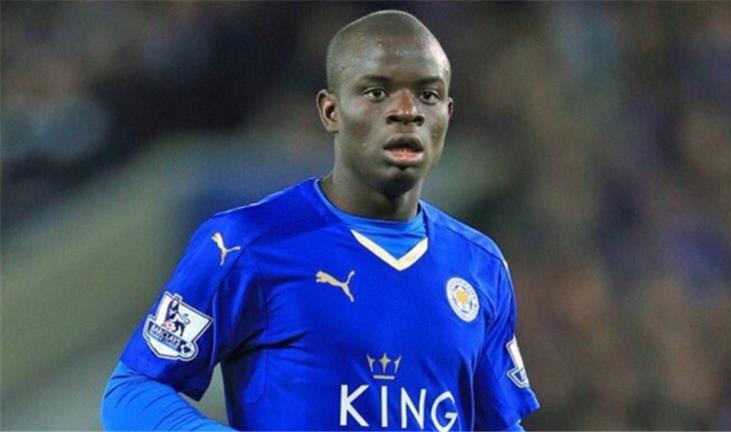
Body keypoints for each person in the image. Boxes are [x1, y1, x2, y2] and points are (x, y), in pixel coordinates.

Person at [101, 9, 539, 431]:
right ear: (331, 111)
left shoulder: (479, 264)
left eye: (428, 95)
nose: (407, 110)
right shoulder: (245, 243)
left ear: (447, 113)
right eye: (377, 92)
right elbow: (132, 392)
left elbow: (498, 425)